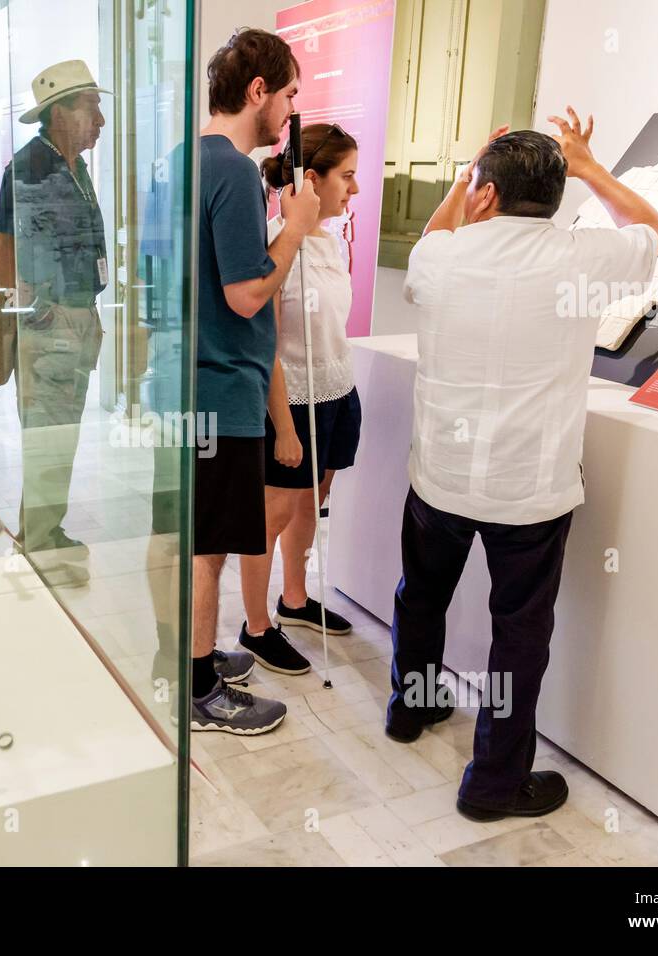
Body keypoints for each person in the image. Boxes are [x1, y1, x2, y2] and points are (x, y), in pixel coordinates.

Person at [392, 109, 658, 820]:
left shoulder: (443, 257)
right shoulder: (581, 260)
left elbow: (431, 241)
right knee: (517, 637)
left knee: (421, 597)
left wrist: (467, 177)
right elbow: (654, 232)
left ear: (485, 193)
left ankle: (409, 708)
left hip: (441, 478)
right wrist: (588, 167)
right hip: (530, 492)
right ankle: (492, 784)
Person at [189, 28, 320, 735]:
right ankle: (199, 689)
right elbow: (245, 297)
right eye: (289, 93)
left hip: (192, 387)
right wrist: (294, 228)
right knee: (208, 547)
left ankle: (195, 654)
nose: (291, 110)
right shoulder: (235, 172)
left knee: (201, 540)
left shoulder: (182, 160)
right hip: (221, 391)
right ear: (258, 90)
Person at [238, 123, 363, 676]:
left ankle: (294, 598)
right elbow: (265, 345)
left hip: (336, 391)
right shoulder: (276, 246)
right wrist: (284, 427)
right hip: (290, 402)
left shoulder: (331, 241)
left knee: (312, 501)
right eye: (347, 176)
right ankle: (255, 626)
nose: (354, 189)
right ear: (311, 179)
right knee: (273, 513)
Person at [0, 60, 110, 588]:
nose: (100, 120)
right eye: (91, 107)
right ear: (60, 113)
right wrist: (41, 312)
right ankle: (37, 548)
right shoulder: (32, 167)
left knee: (61, 437)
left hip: (76, 320)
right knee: (48, 440)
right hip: (53, 326)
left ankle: (45, 533)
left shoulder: (72, 166)